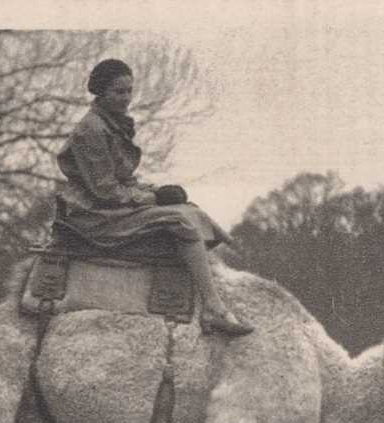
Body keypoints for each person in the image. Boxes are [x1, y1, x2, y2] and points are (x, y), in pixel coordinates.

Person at [55, 58, 253, 337]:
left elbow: (121, 182)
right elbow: (106, 191)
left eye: (129, 91)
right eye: (118, 92)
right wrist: (152, 199)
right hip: (95, 216)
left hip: (111, 206)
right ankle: (213, 308)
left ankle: (220, 272)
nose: (126, 98)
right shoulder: (91, 130)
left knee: (188, 210)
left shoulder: (110, 123)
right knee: (178, 221)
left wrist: (153, 192)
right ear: (101, 92)